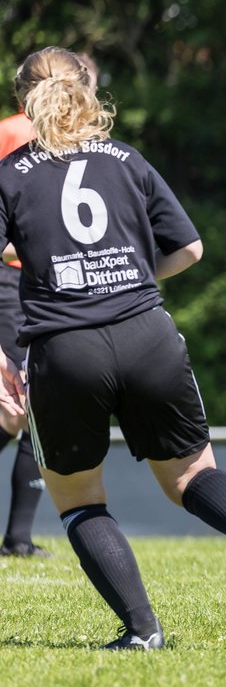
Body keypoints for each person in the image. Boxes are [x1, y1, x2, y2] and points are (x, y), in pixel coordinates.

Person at [0, 47, 226, 651]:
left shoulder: (8, 173)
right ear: (87, 93)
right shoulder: (128, 159)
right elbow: (190, 249)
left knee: (78, 497)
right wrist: (126, 280)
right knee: (192, 474)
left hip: (65, 348)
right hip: (147, 334)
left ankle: (142, 630)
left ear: (23, 102)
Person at [0, 56, 97, 556]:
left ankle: (18, 537)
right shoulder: (23, 134)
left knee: (25, 409)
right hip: (14, 283)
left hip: (41, 281)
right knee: (19, 406)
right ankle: (17, 537)